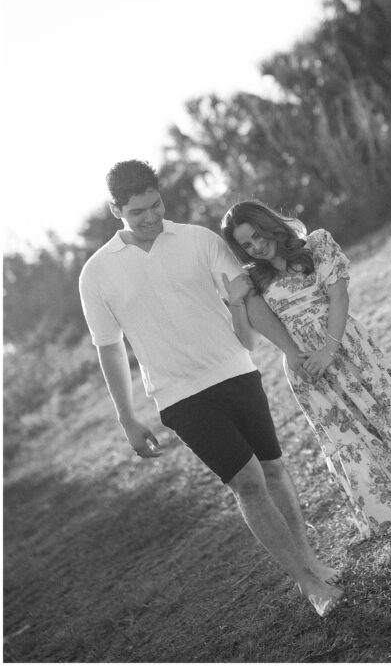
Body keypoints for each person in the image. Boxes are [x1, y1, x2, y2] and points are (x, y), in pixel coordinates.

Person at [79, 160, 343, 617]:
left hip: (236, 371)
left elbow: (247, 298)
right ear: (115, 209)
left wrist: (288, 349)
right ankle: (305, 582)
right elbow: (110, 348)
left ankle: (310, 560)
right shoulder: (96, 273)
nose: (150, 217)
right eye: (137, 211)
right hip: (180, 396)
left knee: (274, 470)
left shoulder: (198, 240)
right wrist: (127, 417)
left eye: (156, 204)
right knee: (247, 483)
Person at [220, 200, 391, 544]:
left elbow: (339, 298)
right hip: (308, 369)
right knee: (357, 441)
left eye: (258, 235)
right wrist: (236, 303)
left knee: (385, 420)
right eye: (246, 244)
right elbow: (247, 341)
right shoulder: (252, 281)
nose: (256, 246)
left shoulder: (316, 244)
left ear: (269, 224)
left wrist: (329, 349)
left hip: (346, 346)